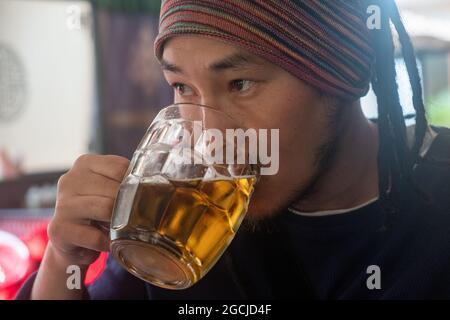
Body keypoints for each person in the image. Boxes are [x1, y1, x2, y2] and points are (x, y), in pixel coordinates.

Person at [18, 0, 450, 299]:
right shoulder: (182, 217)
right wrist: (63, 262)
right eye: (182, 87)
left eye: (240, 84)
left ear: (340, 76)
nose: (207, 136)